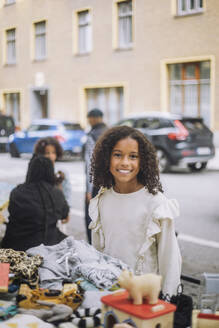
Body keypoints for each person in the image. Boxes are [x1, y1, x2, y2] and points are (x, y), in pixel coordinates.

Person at [88, 126, 182, 296]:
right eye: (117, 155)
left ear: (143, 161)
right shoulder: (101, 199)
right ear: (106, 158)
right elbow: (98, 251)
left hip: (146, 297)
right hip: (109, 292)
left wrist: (170, 299)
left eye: (133, 156)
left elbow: (170, 261)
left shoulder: (156, 203)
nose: (125, 162)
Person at [1, 155, 69, 251]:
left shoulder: (17, 192)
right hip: (50, 246)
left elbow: (13, 213)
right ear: (50, 171)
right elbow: (64, 216)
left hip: (17, 246)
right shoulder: (56, 192)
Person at [84, 108, 107, 243]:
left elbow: (90, 164)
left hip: (95, 184)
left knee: (91, 218)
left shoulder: (92, 136)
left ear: (93, 118)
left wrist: (88, 190)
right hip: (108, 182)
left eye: (89, 118)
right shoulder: (109, 132)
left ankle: (93, 246)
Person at [34, 137, 73, 207]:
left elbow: (67, 192)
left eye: (53, 153)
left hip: (59, 208)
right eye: (47, 153)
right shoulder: (37, 171)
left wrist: (67, 208)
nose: (50, 156)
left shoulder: (62, 171)